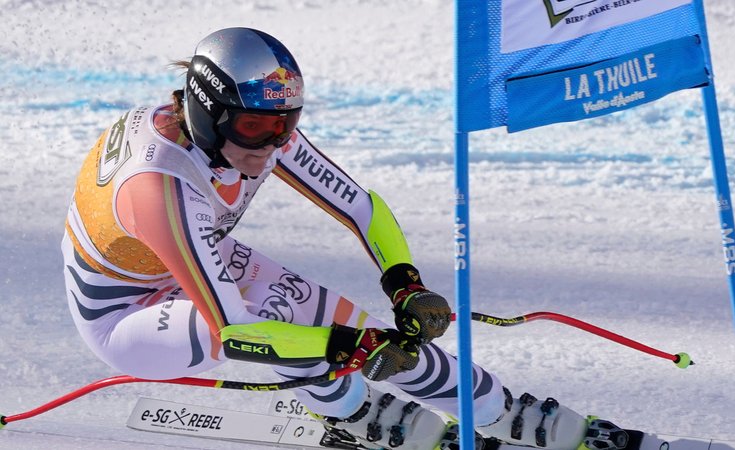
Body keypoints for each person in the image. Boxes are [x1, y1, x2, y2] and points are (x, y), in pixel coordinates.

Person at [62, 27, 626, 450]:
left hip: (184, 255)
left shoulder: (251, 125)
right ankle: (354, 419)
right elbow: (235, 333)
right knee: (296, 323)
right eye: (256, 129)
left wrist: (405, 285)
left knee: (348, 323)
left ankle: (498, 409)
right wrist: (348, 349)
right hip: (125, 314)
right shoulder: (159, 186)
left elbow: (361, 208)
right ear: (209, 113)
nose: (273, 144)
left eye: (286, 124)